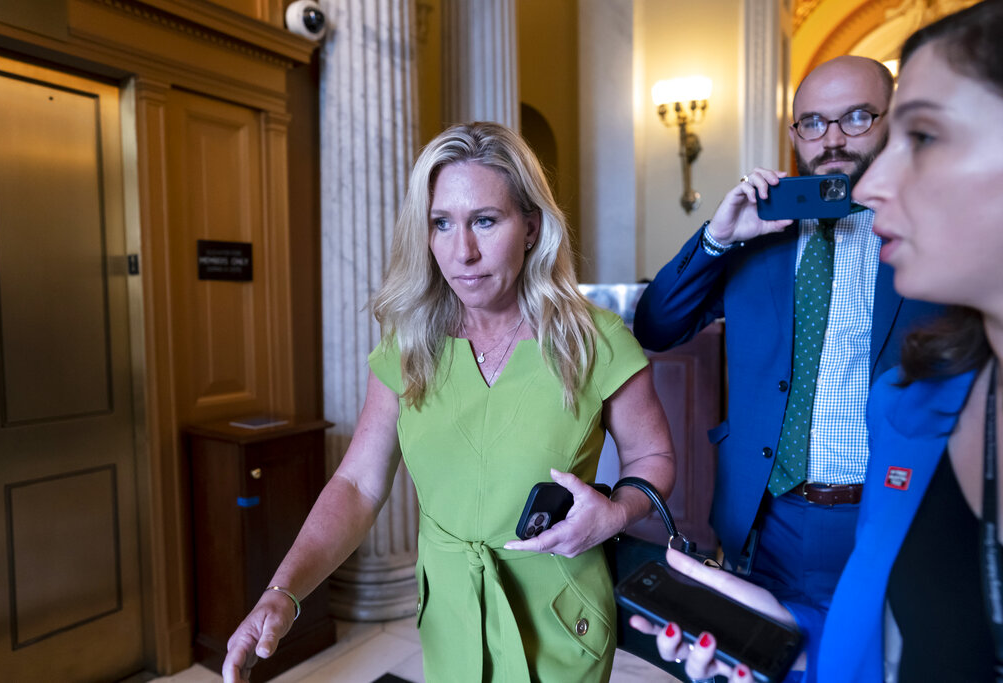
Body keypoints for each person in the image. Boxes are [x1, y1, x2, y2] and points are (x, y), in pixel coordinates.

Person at [221, 121, 676, 683]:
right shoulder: (408, 346)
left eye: (486, 221)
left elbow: (653, 460)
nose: (463, 251)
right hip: (451, 614)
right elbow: (358, 485)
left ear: (531, 227)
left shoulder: (595, 340)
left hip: (560, 612)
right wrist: (281, 592)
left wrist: (613, 515)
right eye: (442, 224)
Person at [635, 1, 1003, 681]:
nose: (833, 138)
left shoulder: (931, 245)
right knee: (782, 657)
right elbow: (658, 324)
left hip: (888, 506)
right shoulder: (760, 238)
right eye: (812, 122)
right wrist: (718, 237)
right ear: (794, 132)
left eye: (859, 117)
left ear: (890, 122)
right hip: (767, 514)